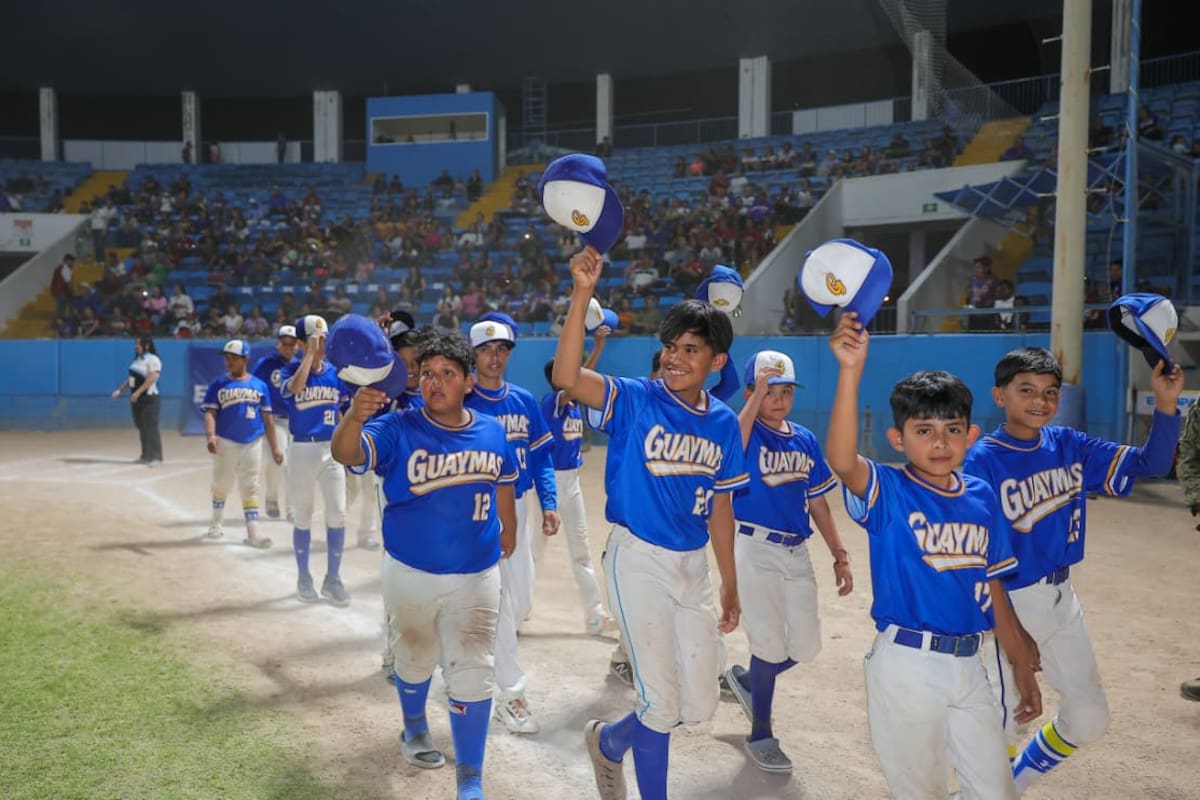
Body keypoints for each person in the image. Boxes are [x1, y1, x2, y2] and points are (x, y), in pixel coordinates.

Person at [554, 247, 747, 800]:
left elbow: (722, 509)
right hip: (638, 559)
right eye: (669, 347)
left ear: (716, 361)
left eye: (691, 349)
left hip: (694, 570)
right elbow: (568, 376)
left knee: (699, 703)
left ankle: (611, 743)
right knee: (660, 704)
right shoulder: (636, 400)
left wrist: (729, 581)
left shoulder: (724, 424)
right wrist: (581, 294)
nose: (674, 357)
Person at [825, 312, 1041, 799]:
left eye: (952, 429)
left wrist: (1020, 662)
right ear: (898, 440)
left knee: (996, 791)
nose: (940, 442)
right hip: (908, 666)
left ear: (971, 435)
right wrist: (849, 370)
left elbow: (992, 584)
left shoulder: (982, 495)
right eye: (923, 430)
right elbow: (841, 461)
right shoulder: (891, 492)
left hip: (972, 664)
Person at [963, 347, 1182, 793]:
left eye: (1049, 392)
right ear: (999, 396)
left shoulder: (1070, 445)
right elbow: (979, 558)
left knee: (1088, 720)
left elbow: (1153, 464)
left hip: (1062, 598)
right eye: (1026, 390)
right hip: (1009, 599)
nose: (1039, 401)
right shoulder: (981, 460)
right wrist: (1012, 633)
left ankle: (1013, 784)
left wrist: (1164, 405)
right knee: (1005, 720)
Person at [331, 330, 518, 800]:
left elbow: (504, 482)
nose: (435, 382)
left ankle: (470, 779)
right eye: (428, 373)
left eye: (448, 374)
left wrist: (509, 528)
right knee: (415, 657)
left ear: (468, 383)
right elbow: (345, 452)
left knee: (473, 666)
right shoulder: (397, 428)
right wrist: (355, 414)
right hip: (410, 572)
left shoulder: (492, 430)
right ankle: (414, 727)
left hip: (476, 575)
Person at [723, 351, 852, 774]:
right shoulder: (743, 432)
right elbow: (732, 447)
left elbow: (819, 502)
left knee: (806, 646)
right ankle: (761, 731)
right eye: (768, 392)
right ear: (750, 393)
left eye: (785, 392)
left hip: (796, 550)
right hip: (754, 548)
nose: (778, 400)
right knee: (768, 643)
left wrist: (839, 554)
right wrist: (754, 396)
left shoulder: (804, 439)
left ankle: (747, 681)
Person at [464, 316, 559, 734]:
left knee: (520, 601)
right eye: (485, 349)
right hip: (478, 511)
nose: (494, 356)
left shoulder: (522, 401)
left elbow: (541, 458)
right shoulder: (463, 403)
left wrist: (550, 502)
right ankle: (510, 693)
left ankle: (471, 651)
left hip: (520, 507)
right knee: (501, 605)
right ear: (473, 355)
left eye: (501, 349)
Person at [538, 326, 617, 636]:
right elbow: (581, 377)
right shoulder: (554, 401)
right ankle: (513, 612)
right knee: (531, 553)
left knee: (581, 550)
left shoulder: (573, 406)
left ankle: (594, 615)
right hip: (548, 482)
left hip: (573, 484)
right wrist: (596, 347)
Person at [281, 315, 352, 607]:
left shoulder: (336, 373)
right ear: (302, 342)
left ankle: (333, 578)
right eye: (316, 338)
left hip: (330, 449)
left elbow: (344, 412)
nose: (323, 343)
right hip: (301, 450)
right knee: (303, 514)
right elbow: (295, 389)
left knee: (338, 513)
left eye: (324, 339)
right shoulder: (290, 369)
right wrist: (308, 354)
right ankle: (303, 576)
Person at [202, 339, 282, 548]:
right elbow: (210, 412)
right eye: (227, 358)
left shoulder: (260, 386)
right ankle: (216, 522)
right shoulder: (218, 384)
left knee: (251, 486)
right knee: (222, 483)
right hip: (226, 441)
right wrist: (211, 435)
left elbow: (268, 421)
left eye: (233, 358)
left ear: (246, 359)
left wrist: (274, 447)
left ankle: (253, 533)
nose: (228, 362)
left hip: (253, 442)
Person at [251, 325, 301, 521]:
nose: (288, 347)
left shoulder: (301, 365)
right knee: (278, 461)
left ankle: (291, 509)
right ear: (278, 344)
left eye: (292, 343)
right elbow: (254, 386)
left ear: (298, 345)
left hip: (297, 421)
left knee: (295, 466)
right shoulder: (267, 364)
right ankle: (271, 497)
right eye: (285, 343)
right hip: (274, 420)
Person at [111, 336, 163, 465]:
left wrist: (138, 392)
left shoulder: (153, 359)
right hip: (136, 399)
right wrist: (120, 390)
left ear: (146, 345)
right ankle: (145, 455)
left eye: (138, 344)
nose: (136, 346)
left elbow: (152, 377)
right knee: (142, 427)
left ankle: (156, 457)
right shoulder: (136, 361)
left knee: (151, 427)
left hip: (149, 398)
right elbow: (131, 380)